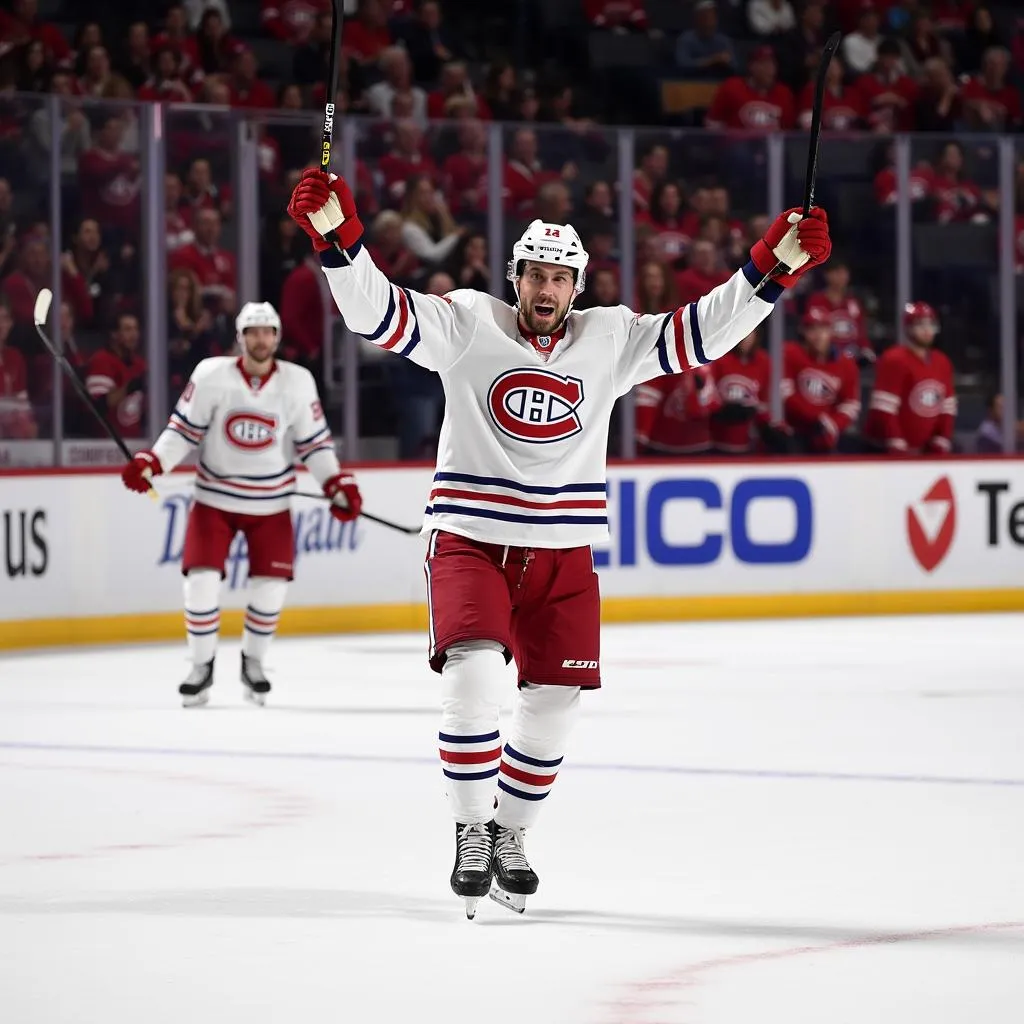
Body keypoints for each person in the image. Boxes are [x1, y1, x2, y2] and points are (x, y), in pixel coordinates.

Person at [285, 167, 830, 916]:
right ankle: (472, 829)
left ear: (579, 285)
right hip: (471, 538)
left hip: (564, 552)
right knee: (473, 683)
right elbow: (380, 317)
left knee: (556, 703)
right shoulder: (470, 323)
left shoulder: (611, 338)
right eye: (536, 275)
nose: (547, 290)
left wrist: (770, 270)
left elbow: (702, 332)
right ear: (515, 279)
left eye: (561, 277)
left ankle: (511, 832)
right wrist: (339, 241)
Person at [119, 302, 363, 707]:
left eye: (268, 331)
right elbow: (182, 430)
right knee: (199, 582)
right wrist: (154, 461)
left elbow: (315, 444)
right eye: (253, 331)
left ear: (277, 337)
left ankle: (254, 662)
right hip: (214, 499)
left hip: (271, 505)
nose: (261, 339)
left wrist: (336, 483)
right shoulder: (211, 375)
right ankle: (201, 667)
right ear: (240, 337)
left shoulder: (298, 382)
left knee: (270, 590)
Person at [864, 302, 956, 455]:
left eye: (931, 324)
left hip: (924, 451)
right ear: (908, 328)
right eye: (920, 324)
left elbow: (947, 405)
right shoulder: (894, 359)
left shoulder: (942, 362)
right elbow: (884, 407)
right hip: (885, 451)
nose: (927, 330)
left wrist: (941, 438)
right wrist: (896, 441)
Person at [781, 307, 861, 454]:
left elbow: (851, 404)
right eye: (812, 329)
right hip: (794, 434)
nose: (818, 335)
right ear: (803, 332)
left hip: (827, 436)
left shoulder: (846, 363)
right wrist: (816, 418)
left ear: (830, 331)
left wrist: (832, 425)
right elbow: (785, 394)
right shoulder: (790, 354)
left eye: (823, 329)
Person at [84, 313, 148, 439]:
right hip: (105, 446)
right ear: (114, 334)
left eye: (136, 329)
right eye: (128, 329)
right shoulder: (101, 361)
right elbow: (98, 407)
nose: (134, 335)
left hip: (136, 442)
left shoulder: (140, 364)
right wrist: (129, 387)